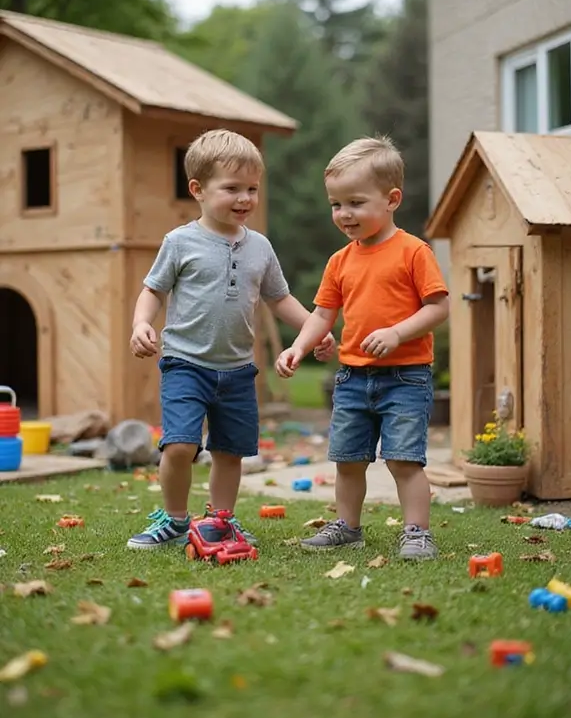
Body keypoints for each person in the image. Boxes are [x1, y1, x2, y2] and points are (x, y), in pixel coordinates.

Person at [127, 129, 334, 550]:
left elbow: (280, 299)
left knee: (230, 452)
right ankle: (175, 519)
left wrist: (316, 329)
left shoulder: (259, 247)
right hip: (186, 363)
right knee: (180, 445)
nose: (245, 198)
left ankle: (220, 521)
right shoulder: (180, 241)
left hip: (238, 371)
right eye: (232, 188)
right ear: (198, 190)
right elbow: (153, 290)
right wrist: (140, 324)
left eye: (253, 189)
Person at [276, 136, 449, 560]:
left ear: (392, 199)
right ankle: (347, 527)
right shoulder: (340, 261)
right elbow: (321, 315)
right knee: (348, 460)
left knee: (404, 460)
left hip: (405, 377)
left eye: (355, 202)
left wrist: (396, 333)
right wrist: (298, 347)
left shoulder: (413, 251)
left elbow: (438, 307)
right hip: (353, 378)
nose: (344, 214)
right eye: (336, 204)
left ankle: (416, 532)